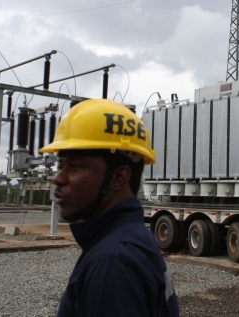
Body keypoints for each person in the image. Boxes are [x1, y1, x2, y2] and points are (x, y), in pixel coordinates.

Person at [40, 99, 179, 317]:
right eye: (61, 165)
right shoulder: (130, 240)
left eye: (74, 166)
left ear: (118, 177)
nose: (58, 178)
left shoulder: (114, 262)